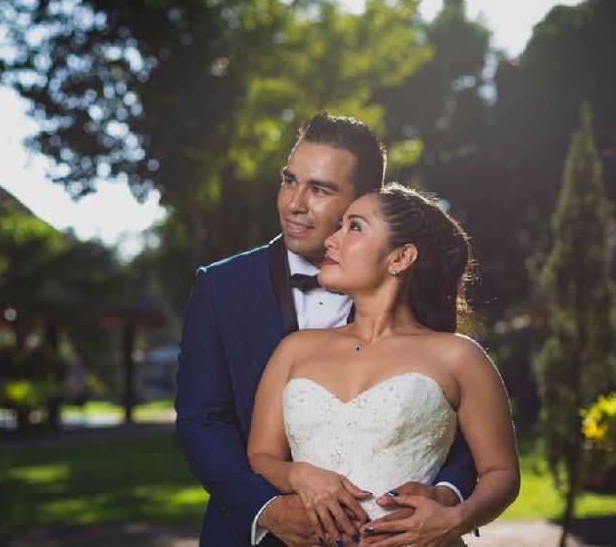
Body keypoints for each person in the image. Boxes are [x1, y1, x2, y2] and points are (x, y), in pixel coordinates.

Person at [176, 113, 479, 546]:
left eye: (320, 189)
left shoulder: (414, 300)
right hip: (248, 533)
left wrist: (444, 499)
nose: (294, 203)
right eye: (289, 180)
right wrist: (271, 510)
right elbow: (200, 420)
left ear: (366, 199)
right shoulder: (219, 288)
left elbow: (460, 427)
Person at [247, 185, 520, 547]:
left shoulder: (459, 357)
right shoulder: (294, 350)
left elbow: (502, 473)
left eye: (354, 227)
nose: (332, 239)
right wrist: (298, 475)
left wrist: (453, 520)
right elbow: (261, 456)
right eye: (339, 226)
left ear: (401, 257)